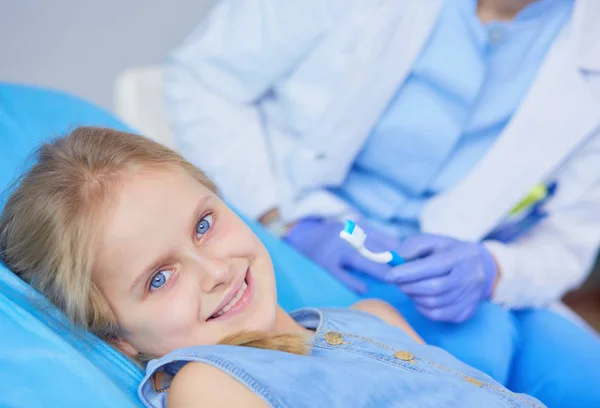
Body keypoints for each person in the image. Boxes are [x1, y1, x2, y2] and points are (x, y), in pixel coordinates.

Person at [0, 127, 548, 408]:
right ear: (117, 337)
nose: (213, 270)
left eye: (204, 225)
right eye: (159, 278)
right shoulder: (209, 386)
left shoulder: (372, 317)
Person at [164, 0, 600, 319]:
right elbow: (205, 79)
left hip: (451, 280)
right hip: (297, 224)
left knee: (577, 376)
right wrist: (280, 216)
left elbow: (567, 243)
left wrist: (492, 270)